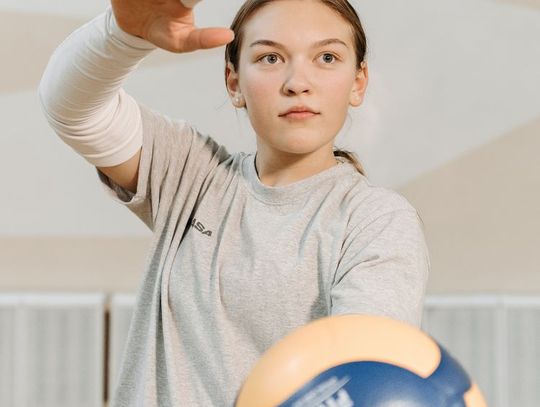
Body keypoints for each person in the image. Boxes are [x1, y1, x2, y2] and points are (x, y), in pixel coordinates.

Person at [38, 0, 431, 405]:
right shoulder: (192, 175)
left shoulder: (377, 221)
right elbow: (71, 107)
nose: (298, 81)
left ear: (358, 83)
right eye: (270, 57)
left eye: (327, 57)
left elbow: (358, 382)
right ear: (233, 82)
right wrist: (120, 35)